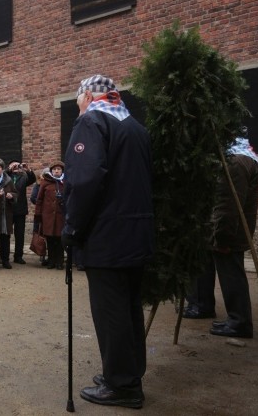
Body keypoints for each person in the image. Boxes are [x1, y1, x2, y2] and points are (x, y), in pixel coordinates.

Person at [63, 75, 153, 409]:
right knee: (128, 308)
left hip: (107, 235)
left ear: (86, 96)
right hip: (136, 231)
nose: (79, 108)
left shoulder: (91, 121)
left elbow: (84, 180)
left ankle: (122, 385)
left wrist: (72, 227)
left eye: (78, 102)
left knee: (111, 310)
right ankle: (128, 372)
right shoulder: (134, 126)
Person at [186, 133, 258, 339]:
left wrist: (222, 238)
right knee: (207, 261)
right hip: (222, 228)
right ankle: (202, 305)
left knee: (231, 272)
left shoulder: (234, 162)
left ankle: (240, 322)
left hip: (229, 231)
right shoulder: (244, 156)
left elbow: (227, 205)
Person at [34, 161, 65, 270]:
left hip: (61, 216)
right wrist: (38, 214)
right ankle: (51, 261)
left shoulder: (65, 182)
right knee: (50, 239)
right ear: (51, 171)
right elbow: (39, 199)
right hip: (48, 216)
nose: (57, 171)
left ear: (62, 171)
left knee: (60, 239)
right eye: (54, 169)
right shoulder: (45, 182)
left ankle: (60, 261)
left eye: (59, 169)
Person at [6, 160, 36, 264]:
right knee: (6, 234)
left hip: (20, 210)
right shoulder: (6, 176)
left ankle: (18, 256)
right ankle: (4, 256)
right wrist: (9, 170)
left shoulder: (23, 177)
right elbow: (3, 176)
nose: (16, 167)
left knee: (20, 234)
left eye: (17, 165)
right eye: (13, 165)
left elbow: (32, 179)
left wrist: (28, 170)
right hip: (8, 209)